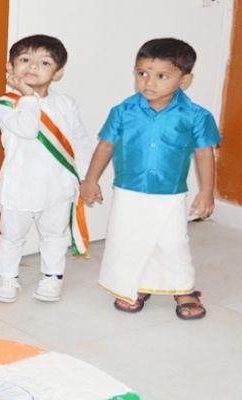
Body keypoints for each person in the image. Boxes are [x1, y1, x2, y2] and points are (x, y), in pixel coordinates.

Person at [80, 38, 220, 320]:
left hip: (170, 193)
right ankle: (135, 285)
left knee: (172, 242)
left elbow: (204, 153)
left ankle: (183, 288)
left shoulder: (196, 116)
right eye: (142, 73)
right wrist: (91, 180)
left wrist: (207, 192)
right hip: (129, 190)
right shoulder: (123, 111)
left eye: (161, 76)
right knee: (128, 240)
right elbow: (105, 146)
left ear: (185, 80)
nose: (148, 82)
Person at [0, 35, 95, 303]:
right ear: (10, 66)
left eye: (45, 62)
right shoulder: (5, 104)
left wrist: (86, 178)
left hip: (57, 186)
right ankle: (8, 278)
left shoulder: (66, 103)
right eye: (25, 59)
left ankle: (52, 278)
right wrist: (28, 96)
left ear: (57, 73)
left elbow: (80, 141)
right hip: (18, 186)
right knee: (11, 237)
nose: (33, 66)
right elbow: (27, 129)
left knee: (54, 235)